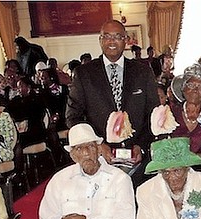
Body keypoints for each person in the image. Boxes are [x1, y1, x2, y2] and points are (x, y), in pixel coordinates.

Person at [66, 20, 159, 187]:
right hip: (99, 158)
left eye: (117, 37)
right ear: (100, 40)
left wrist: (141, 145)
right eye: (106, 36)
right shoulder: (84, 73)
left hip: (137, 157)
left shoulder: (143, 71)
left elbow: (153, 114)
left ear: (126, 40)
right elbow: (73, 117)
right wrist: (97, 144)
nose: (111, 41)